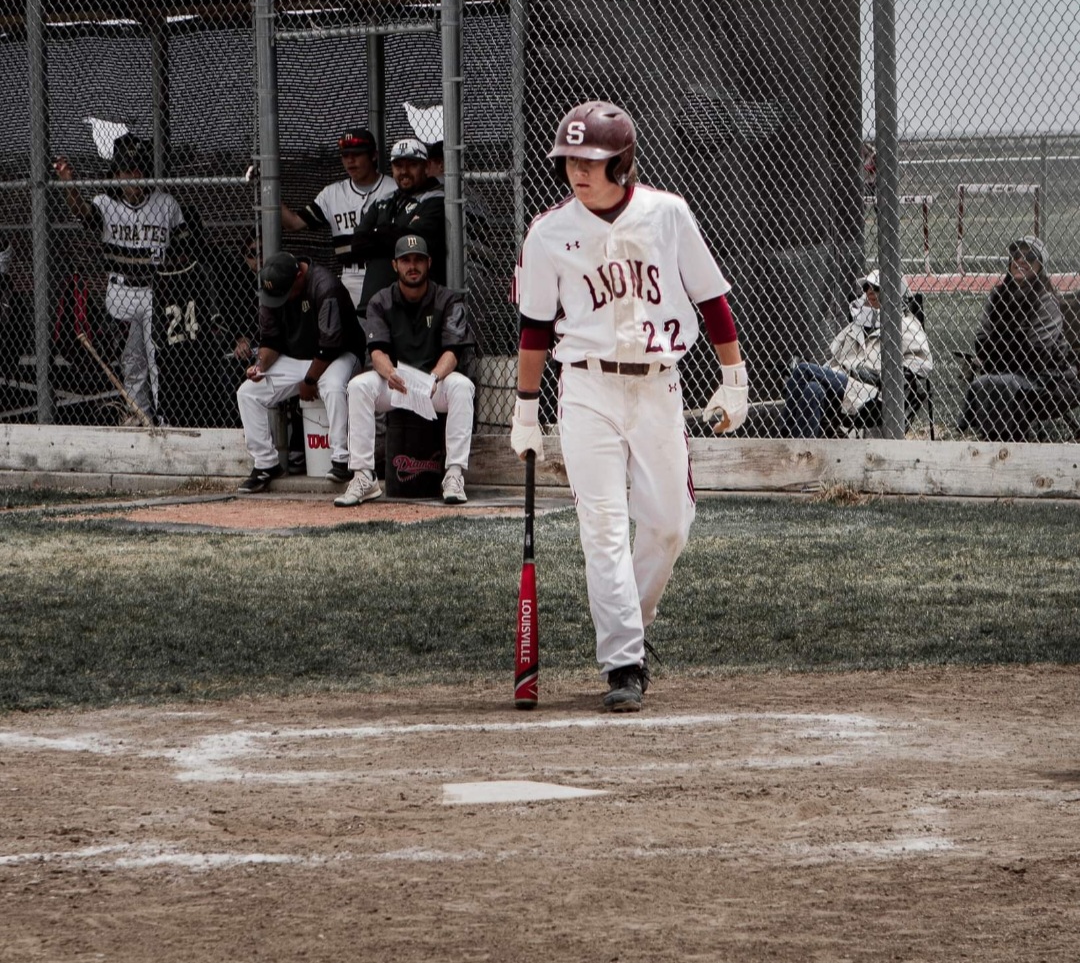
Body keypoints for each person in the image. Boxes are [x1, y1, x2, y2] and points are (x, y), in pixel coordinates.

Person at [509, 100, 748, 714]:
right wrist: (526, 410)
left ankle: (632, 629)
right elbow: (535, 328)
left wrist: (734, 379)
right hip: (586, 388)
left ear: (621, 160)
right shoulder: (549, 232)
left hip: (658, 386)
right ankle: (623, 662)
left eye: (590, 161)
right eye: (569, 161)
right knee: (605, 529)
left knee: (670, 523)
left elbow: (712, 299)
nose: (577, 172)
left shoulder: (667, 214)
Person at [335, 234, 475, 507]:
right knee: (358, 386)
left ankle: (454, 474)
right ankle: (364, 476)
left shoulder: (447, 299)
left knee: (462, 386)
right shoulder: (381, 300)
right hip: (396, 383)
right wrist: (390, 374)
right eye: (406, 260)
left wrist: (435, 377)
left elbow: (453, 352)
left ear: (429, 263)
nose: (413, 266)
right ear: (395, 265)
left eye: (418, 260)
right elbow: (377, 351)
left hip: (434, 384)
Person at [53, 136, 187, 421]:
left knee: (158, 359)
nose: (133, 177)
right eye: (127, 170)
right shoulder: (105, 203)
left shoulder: (166, 204)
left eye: (138, 169)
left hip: (157, 291)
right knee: (132, 363)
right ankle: (141, 416)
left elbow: (184, 251)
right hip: (121, 290)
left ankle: (164, 418)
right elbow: (82, 212)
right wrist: (68, 183)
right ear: (116, 174)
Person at [236, 250, 364, 493]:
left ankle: (342, 459)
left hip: (339, 354)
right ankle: (266, 464)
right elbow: (270, 341)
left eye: (285, 293)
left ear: (298, 276)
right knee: (248, 393)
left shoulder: (325, 286)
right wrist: (260, 366)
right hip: (296, 357)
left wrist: (310, 380)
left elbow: (330, 344)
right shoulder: (271, 291)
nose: (279, 300)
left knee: (333, 386)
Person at [780, 269, 933, 438]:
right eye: (867, 287)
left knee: (802, 370)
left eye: (876, 288)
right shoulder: (860, 321)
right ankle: (801, 454)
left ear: (894, 292)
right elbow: (836, 360)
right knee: (812, 390)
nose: (869, 292)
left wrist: (883, 375)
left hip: (871, 394)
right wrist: (823, 372)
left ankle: (783, 441)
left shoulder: (904, 324)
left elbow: (922, 363)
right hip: (844, 385)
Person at [957, 236, 1078, 442]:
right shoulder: (997, 296)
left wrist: (1000, 344)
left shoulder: (1047, 300)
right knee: (992, 383)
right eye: (1016, 255)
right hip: (1008, 375)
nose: (1020, 260)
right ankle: (1000, 448)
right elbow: (981, 343)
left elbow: (1037, 354)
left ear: (1040, 266)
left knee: (998, 383)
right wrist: (1018, 341)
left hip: (1050, 378)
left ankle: (1010, 447)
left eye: (1029, 256)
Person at [280, 128, 396, 309]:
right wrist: (266, 188)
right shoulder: (332, 194)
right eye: (345, 155)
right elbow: (293, 223)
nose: (350, 161)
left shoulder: (394, 189)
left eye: (357, 154)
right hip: (350, 277)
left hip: (387, 273)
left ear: (373, 156)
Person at [350, 137, 446, 314]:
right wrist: (390, 233)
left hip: (416, 305)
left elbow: (413, 241)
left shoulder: (437, 198)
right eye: (398, 166)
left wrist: (379, 232)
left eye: (412, 165)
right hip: (375, 303)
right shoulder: (384, 200)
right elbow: (357, 244)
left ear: (426, 167)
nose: (404, 171)